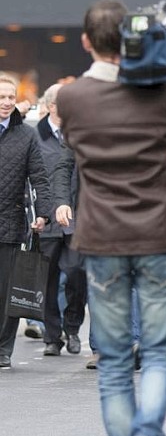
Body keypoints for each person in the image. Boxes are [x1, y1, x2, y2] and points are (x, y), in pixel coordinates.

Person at [57, 0, 166, 436]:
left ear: (85, 42)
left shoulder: (71, 99)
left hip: (101, 239)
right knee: (161, 351)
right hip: (160, 236)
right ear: (130, 39)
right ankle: (149, 435)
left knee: (115, 361)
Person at [0, 73, 51, 370]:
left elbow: (40, 177)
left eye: (10, 97)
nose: (7, 103)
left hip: (10, 223)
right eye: (1, 97)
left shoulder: (26, 135)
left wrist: (43, 213)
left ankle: (4, 348)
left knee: (7, 291)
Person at [35, 82, 87, 358]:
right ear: (52, 106)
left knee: (78, 273)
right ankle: (52, 336)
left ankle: (73, 327)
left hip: (75, 216)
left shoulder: (80, 132)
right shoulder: (36, 135)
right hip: (46, 218)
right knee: (48, 279)